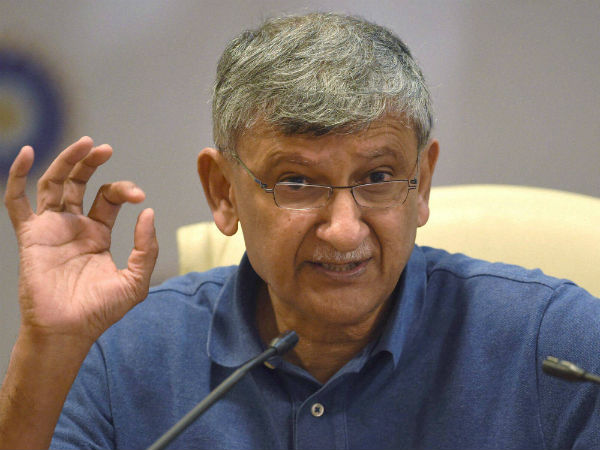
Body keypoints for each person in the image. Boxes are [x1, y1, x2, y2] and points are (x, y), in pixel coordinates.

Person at [1, 12, 600, 450]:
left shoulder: (555, 347)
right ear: (223, 192)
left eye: (379, 177)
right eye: (297, 182)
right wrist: (48, 348)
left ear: (421, 185)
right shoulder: (124, 354)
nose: (343, 231)